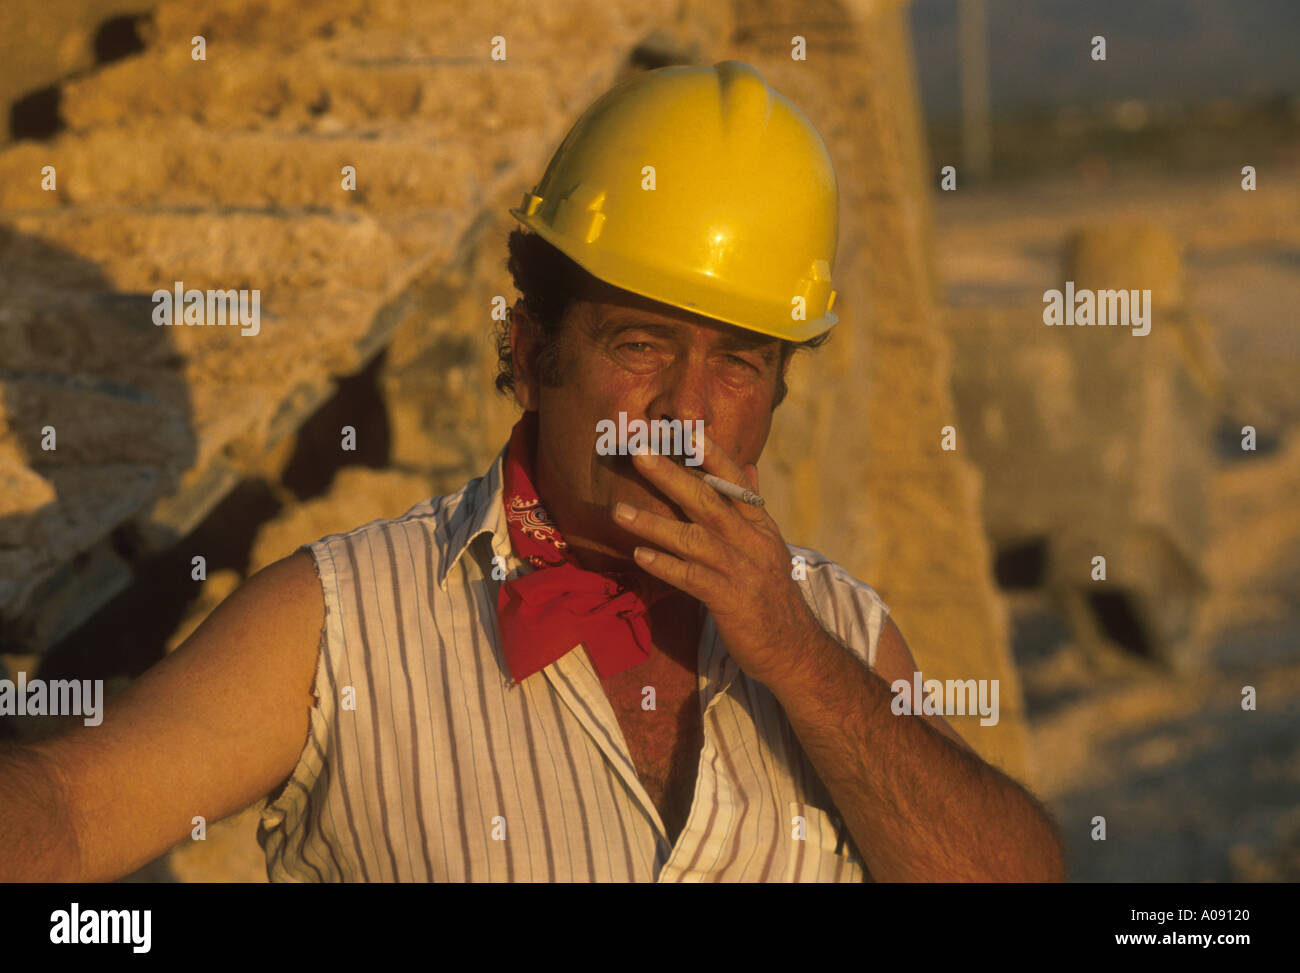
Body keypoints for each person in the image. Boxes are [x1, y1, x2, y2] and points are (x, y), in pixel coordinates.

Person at [0, 61, 1064, 883]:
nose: (685, 414)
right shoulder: (341, 621)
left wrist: (796, 655)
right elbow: (70, 813)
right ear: (529, 354)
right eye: (640, 345)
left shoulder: (841, 631)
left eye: (738, 361)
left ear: (779, 390)